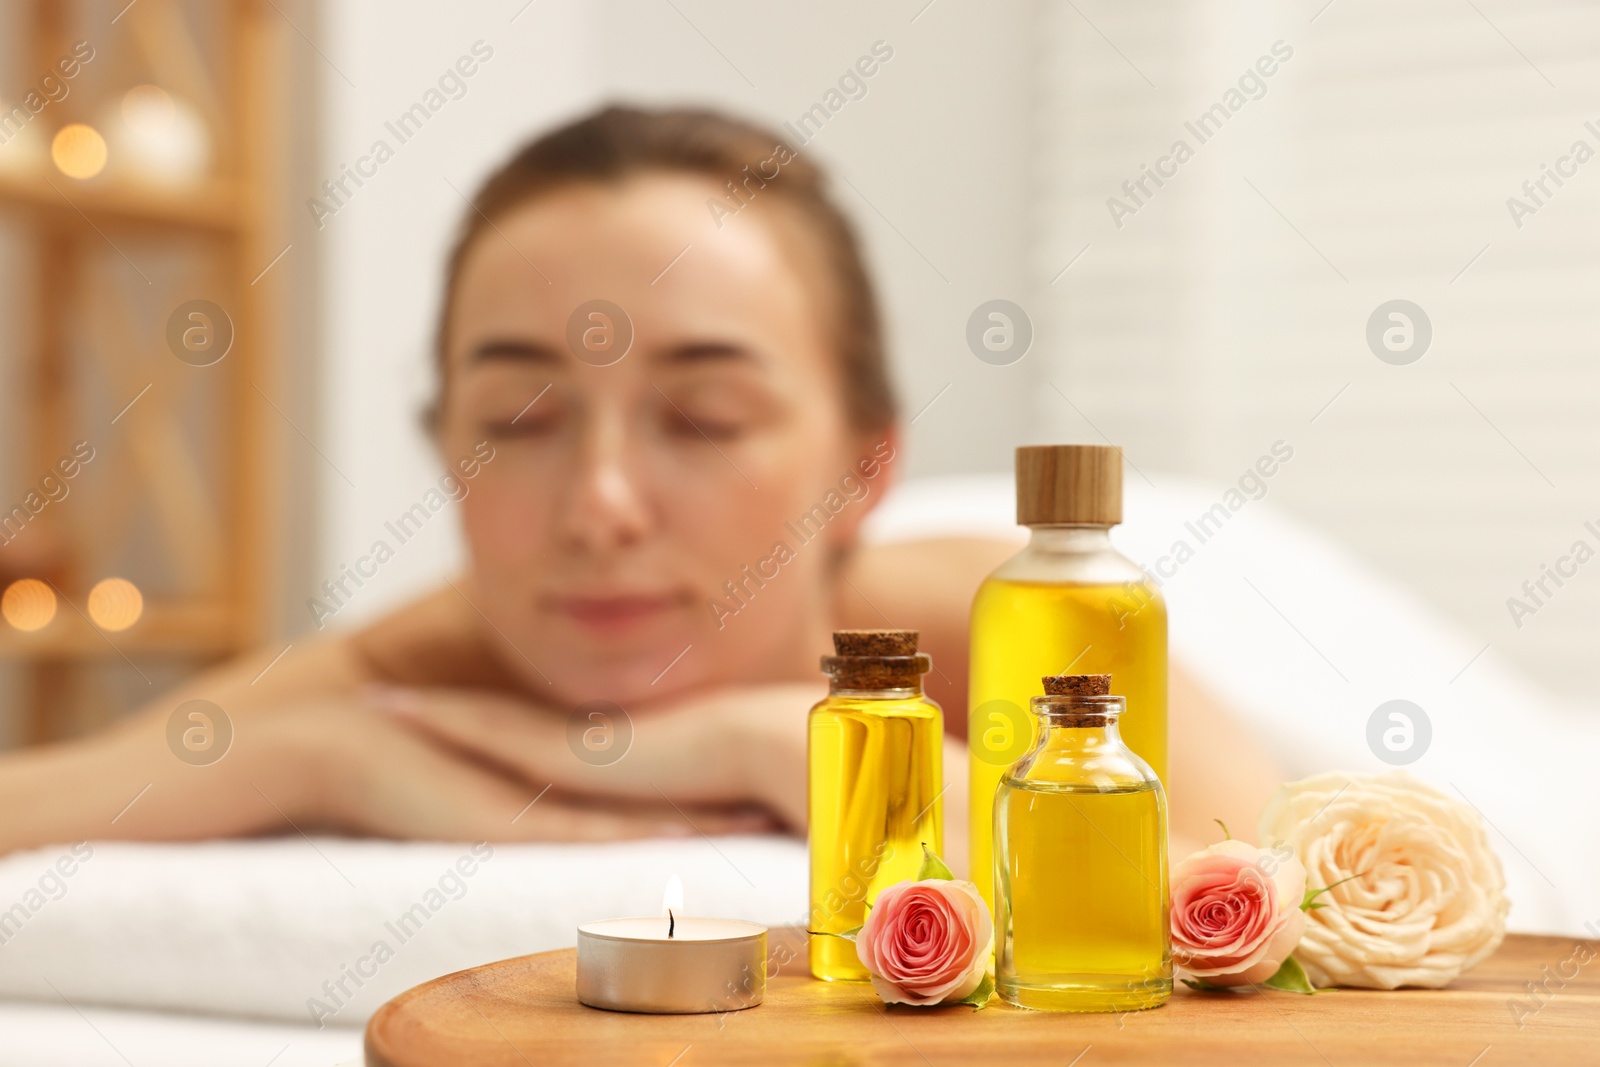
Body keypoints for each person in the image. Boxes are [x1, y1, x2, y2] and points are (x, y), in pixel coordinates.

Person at [0, 106, 1281, 871]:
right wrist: (323, 760)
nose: (599, 505)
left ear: (863, 469)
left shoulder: (1011, 623)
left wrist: (780, 745)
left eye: (703, 415)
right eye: (521, 419)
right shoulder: (415, 672)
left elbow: (1283, 902)